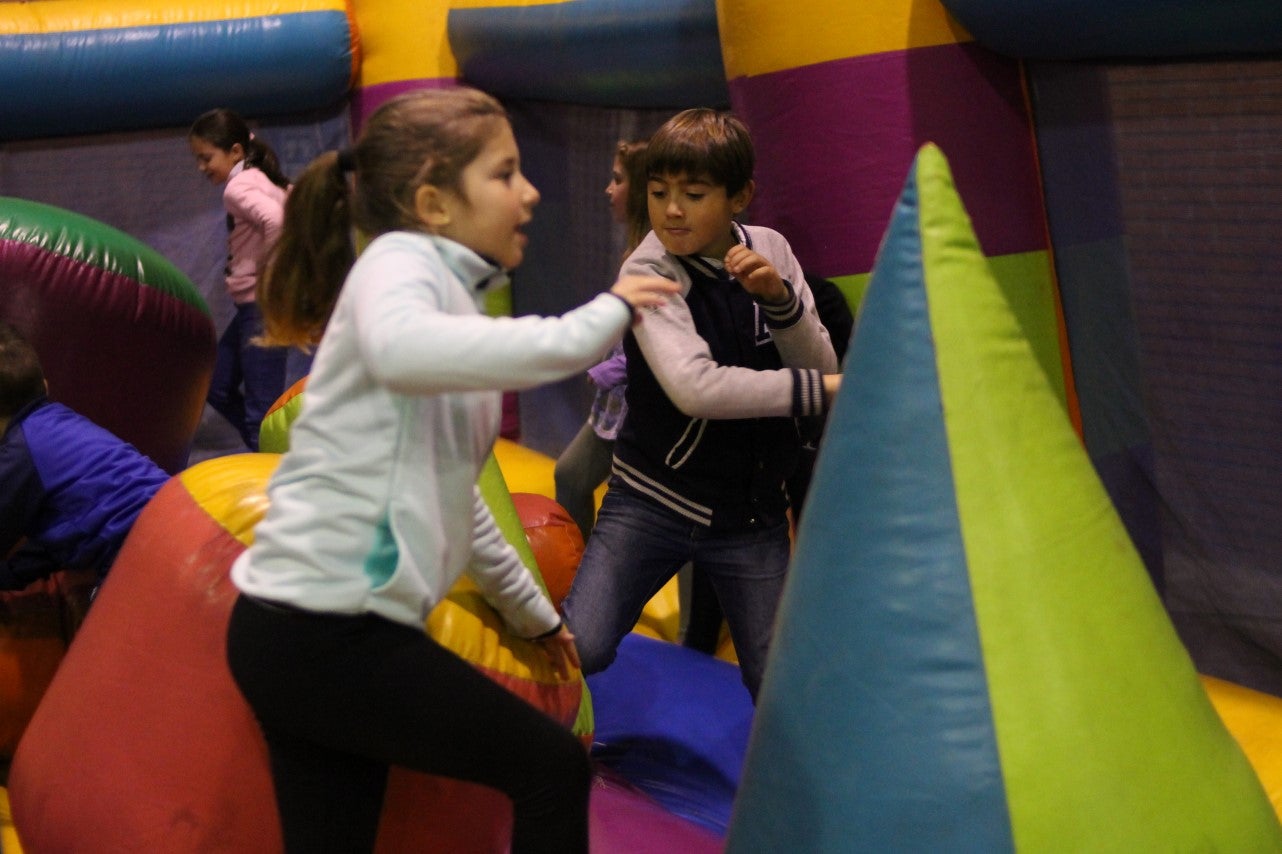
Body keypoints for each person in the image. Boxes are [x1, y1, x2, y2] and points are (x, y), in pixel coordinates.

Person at [224, 87, 678, 854]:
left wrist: (535, 615)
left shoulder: (443, 297)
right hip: (323, 633)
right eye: (504, 175)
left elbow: (457, 499)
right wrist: (603, 315)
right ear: (434, 201)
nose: (529, 192)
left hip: (302, 637)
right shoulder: (397, 268)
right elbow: (402, 347)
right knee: (548, 767)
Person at [562, 108, 841, 701]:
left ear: (740, 196)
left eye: (693, 194)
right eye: (659, 193)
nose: (671, 210)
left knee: (777, 679)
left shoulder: (771, 249)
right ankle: (543, 747)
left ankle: (790, 787)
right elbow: (697, 388)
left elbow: (817, 364)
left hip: (749, 514)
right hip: (651, 500)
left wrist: (780, 301)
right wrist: (826, 392)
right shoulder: (649, 268)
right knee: (582, 643)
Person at [0, 322, 169, 592]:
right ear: (44, 386)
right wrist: (11, 574)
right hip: (171, 515)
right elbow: (60, 532)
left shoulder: (20, 454)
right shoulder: (58, 424)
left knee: (105, 631)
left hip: (141, 549)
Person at [553, 139, 650, 541]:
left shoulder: (648, 257)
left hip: (637, 411)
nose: (609, 190)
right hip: (613, 407)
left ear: (642, 190)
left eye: (617, 180)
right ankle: (581, 576)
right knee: (571, 475)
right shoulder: (633, 251)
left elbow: (665, 336)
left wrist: (614, 366)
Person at [189, 108, 292, 451]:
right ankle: (275, 450)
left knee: (260, 413)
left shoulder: (238, 188)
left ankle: (272, 473)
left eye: (206, 158)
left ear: (234, 152)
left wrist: (270, 274)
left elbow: (276, 219)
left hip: (260, 305)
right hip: (254, 307)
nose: (202, 167)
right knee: (216, 384)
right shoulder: (261, 177)